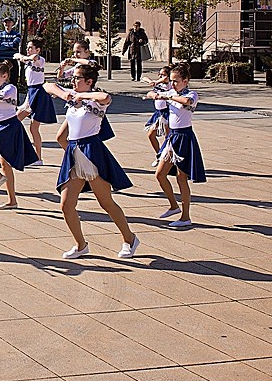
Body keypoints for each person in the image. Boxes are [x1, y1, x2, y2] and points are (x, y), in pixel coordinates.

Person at [43, 64, 139, 260]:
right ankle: (81, 245)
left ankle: (129, 239)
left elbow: (106, 98)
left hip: (92, 151)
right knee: (66, 205)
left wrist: (83, 96)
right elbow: (47, 85)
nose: (73, 81)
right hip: (74, 152)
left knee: (106, 203)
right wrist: (66, 95)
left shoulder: (96, 100)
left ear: (89, 82)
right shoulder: (72, 93)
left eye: (78, 78)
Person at [0, 61, 39, 209]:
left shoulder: (11, 88)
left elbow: (3, 95)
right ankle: (12, 200)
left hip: (8, 128)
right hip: (0, 127)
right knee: (5, 164)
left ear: (4, 76)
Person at [149, 64, 206, 229]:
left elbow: (187, 101)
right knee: (160, 174)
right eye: (171, 81)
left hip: (184, 137)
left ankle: (185, 216)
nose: (173, 84)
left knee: (182, 178)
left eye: (176, 81)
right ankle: (174, 205)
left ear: (185, 81)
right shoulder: (171, 92)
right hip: (172, 137)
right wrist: (155, 94)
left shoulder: (192, 94)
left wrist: (168, 97)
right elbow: (152, 94)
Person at [14, 37, 56, 163]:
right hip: (31, 92)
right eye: (27, 47)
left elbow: (34, 58)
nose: (28, 50)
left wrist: (21, 57)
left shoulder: (40, 60)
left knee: (33, 128)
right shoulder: (28, 61)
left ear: (37, 49)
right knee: (15, 120)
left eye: (30, 48)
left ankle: (38, 157)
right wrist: (20, 57)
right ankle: (9, 147)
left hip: (38, 93)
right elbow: (20, 56)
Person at [143, 65, 172, 160]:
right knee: (151, 135)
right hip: (159, 114)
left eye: (162, 74)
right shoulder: (159, 85)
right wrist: (153, 91)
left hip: (168, 113)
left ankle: (168, 158)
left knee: (168, 137)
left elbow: (166, 79)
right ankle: (159, 155)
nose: (160, 76)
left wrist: (156, 82)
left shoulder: (170, 85)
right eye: (159, 74)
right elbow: (144, 79)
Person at [0, 16, 23, 83]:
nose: (7, 24)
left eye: (9, 22)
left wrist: (3, 45)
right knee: (1, 80)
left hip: (13, 59)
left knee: (13, 80)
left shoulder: (17, 34)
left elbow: (15, 44)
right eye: (6, 22)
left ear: (12, 23)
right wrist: (10, 45)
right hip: (2, 59)